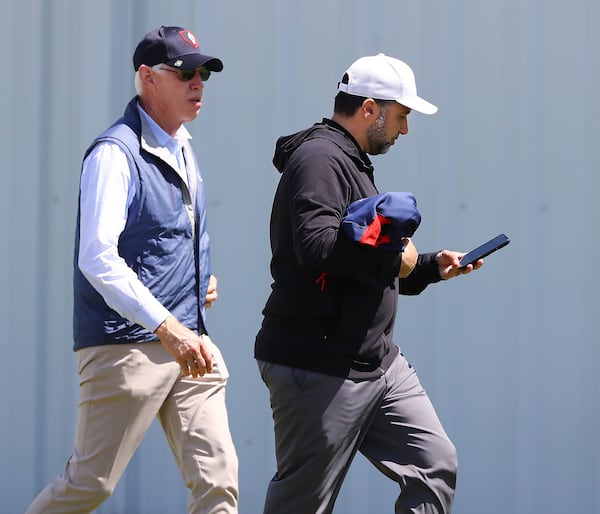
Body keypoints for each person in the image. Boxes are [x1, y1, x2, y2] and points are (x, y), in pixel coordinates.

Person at [254, 53, 483, 514]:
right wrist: (398, 258)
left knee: (435, 464)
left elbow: (365, 257)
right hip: (320, 364)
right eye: (401, 117)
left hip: (377, 364)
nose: (404, 130)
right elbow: (316, 246)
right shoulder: (319, 158)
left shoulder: (349, 160)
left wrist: (430, 266)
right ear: (369, 109)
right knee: (302, 504)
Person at [26, 26, 238, 514]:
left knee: (218, 483)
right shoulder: (113, 153)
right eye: (184, 72)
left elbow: (164, 238)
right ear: (146, 77)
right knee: (90, 485)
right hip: (127, 344)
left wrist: (194, 278)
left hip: (190, 340)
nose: (198, 82)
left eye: (203, 72)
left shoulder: (183, 143)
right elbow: (97, 257)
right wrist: (167, 326)